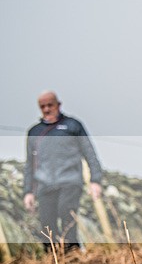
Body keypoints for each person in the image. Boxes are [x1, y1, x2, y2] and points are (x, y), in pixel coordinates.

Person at [23, 91, 103, 252]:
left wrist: (95, 180)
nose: (46, 109)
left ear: (58, 105)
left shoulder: (73, 126)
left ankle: (73, 257)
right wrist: (28, 192)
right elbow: (30, 164)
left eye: (50, 105)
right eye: (42, 106)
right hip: (45, 185)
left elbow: (89, 152)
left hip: (70, 182)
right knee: (47, 225)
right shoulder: (34, 132)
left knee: (67, 215)